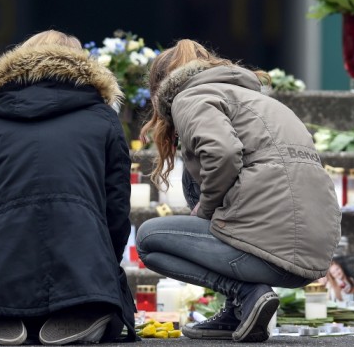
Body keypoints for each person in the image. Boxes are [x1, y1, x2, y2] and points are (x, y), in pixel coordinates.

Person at [135, 39, 341, 343]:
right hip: (312, 256)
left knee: (148, 239)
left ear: (160, 89)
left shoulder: (189, 96)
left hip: (269, 249)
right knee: (196, 178)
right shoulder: (261, 102)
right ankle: (236, 312)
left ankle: (246, 292)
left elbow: (223, 154)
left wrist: (204, 211)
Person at [0, 30, 138, 345]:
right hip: (83, 260)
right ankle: (84, 305)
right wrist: (105, 266)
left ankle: (3, 309)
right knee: (88, 279)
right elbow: (117, 207)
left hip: (2, 262)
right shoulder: (103, 119)